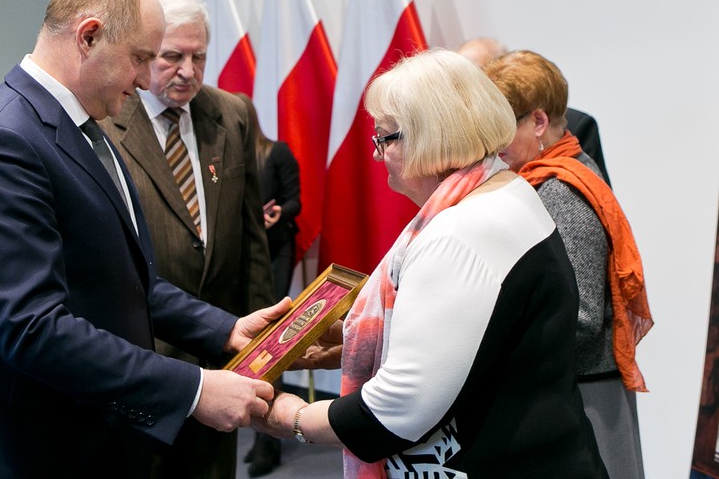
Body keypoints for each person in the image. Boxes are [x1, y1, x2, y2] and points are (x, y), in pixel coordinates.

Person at [0, 0, 288, 479]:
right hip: (28, 453)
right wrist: (193, 389)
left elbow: (124, 280)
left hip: (93, 441)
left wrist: (224, 329)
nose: (144, 80)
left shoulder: (82, 126)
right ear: (89, 36)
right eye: (141, 57)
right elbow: (33, 329)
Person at [253, 49, 608, 478]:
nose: (376, 155)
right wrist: (359, 344)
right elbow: (477, 340)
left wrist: (292, 417)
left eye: (384, 138)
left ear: (429, 137)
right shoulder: (505, 189)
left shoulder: (458, 233)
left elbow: (396, 412)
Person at [98, 0, 274, 479]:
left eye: (199, 57)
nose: (188, 71)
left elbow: (252, 240)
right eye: (172, 57)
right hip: (143, 354)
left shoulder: (232, 113)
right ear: (143, 55)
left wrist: (264, 350)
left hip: (220, 351)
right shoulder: (105, 122)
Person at [484, 49, 653, 479]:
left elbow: (581, 318)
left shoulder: (562, 191)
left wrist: (494, 341)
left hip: (586, 396)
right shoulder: (556, 172)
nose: (492, 144)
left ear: (538, 122)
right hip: (573, 390)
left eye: (500, 127)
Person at [235, 92, 302, 477]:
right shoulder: (225, 157)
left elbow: (295, 202)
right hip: (241, 256)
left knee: (271, 343)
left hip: (275, 252)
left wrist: (278, 212)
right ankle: (259, 428)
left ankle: (268, 441)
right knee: (249, 344)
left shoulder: (277, 152)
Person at [457, 37, 611, 185]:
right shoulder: (561, 169)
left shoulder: (556, 188)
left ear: (538, 122)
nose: (494, 141)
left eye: (503, 127)